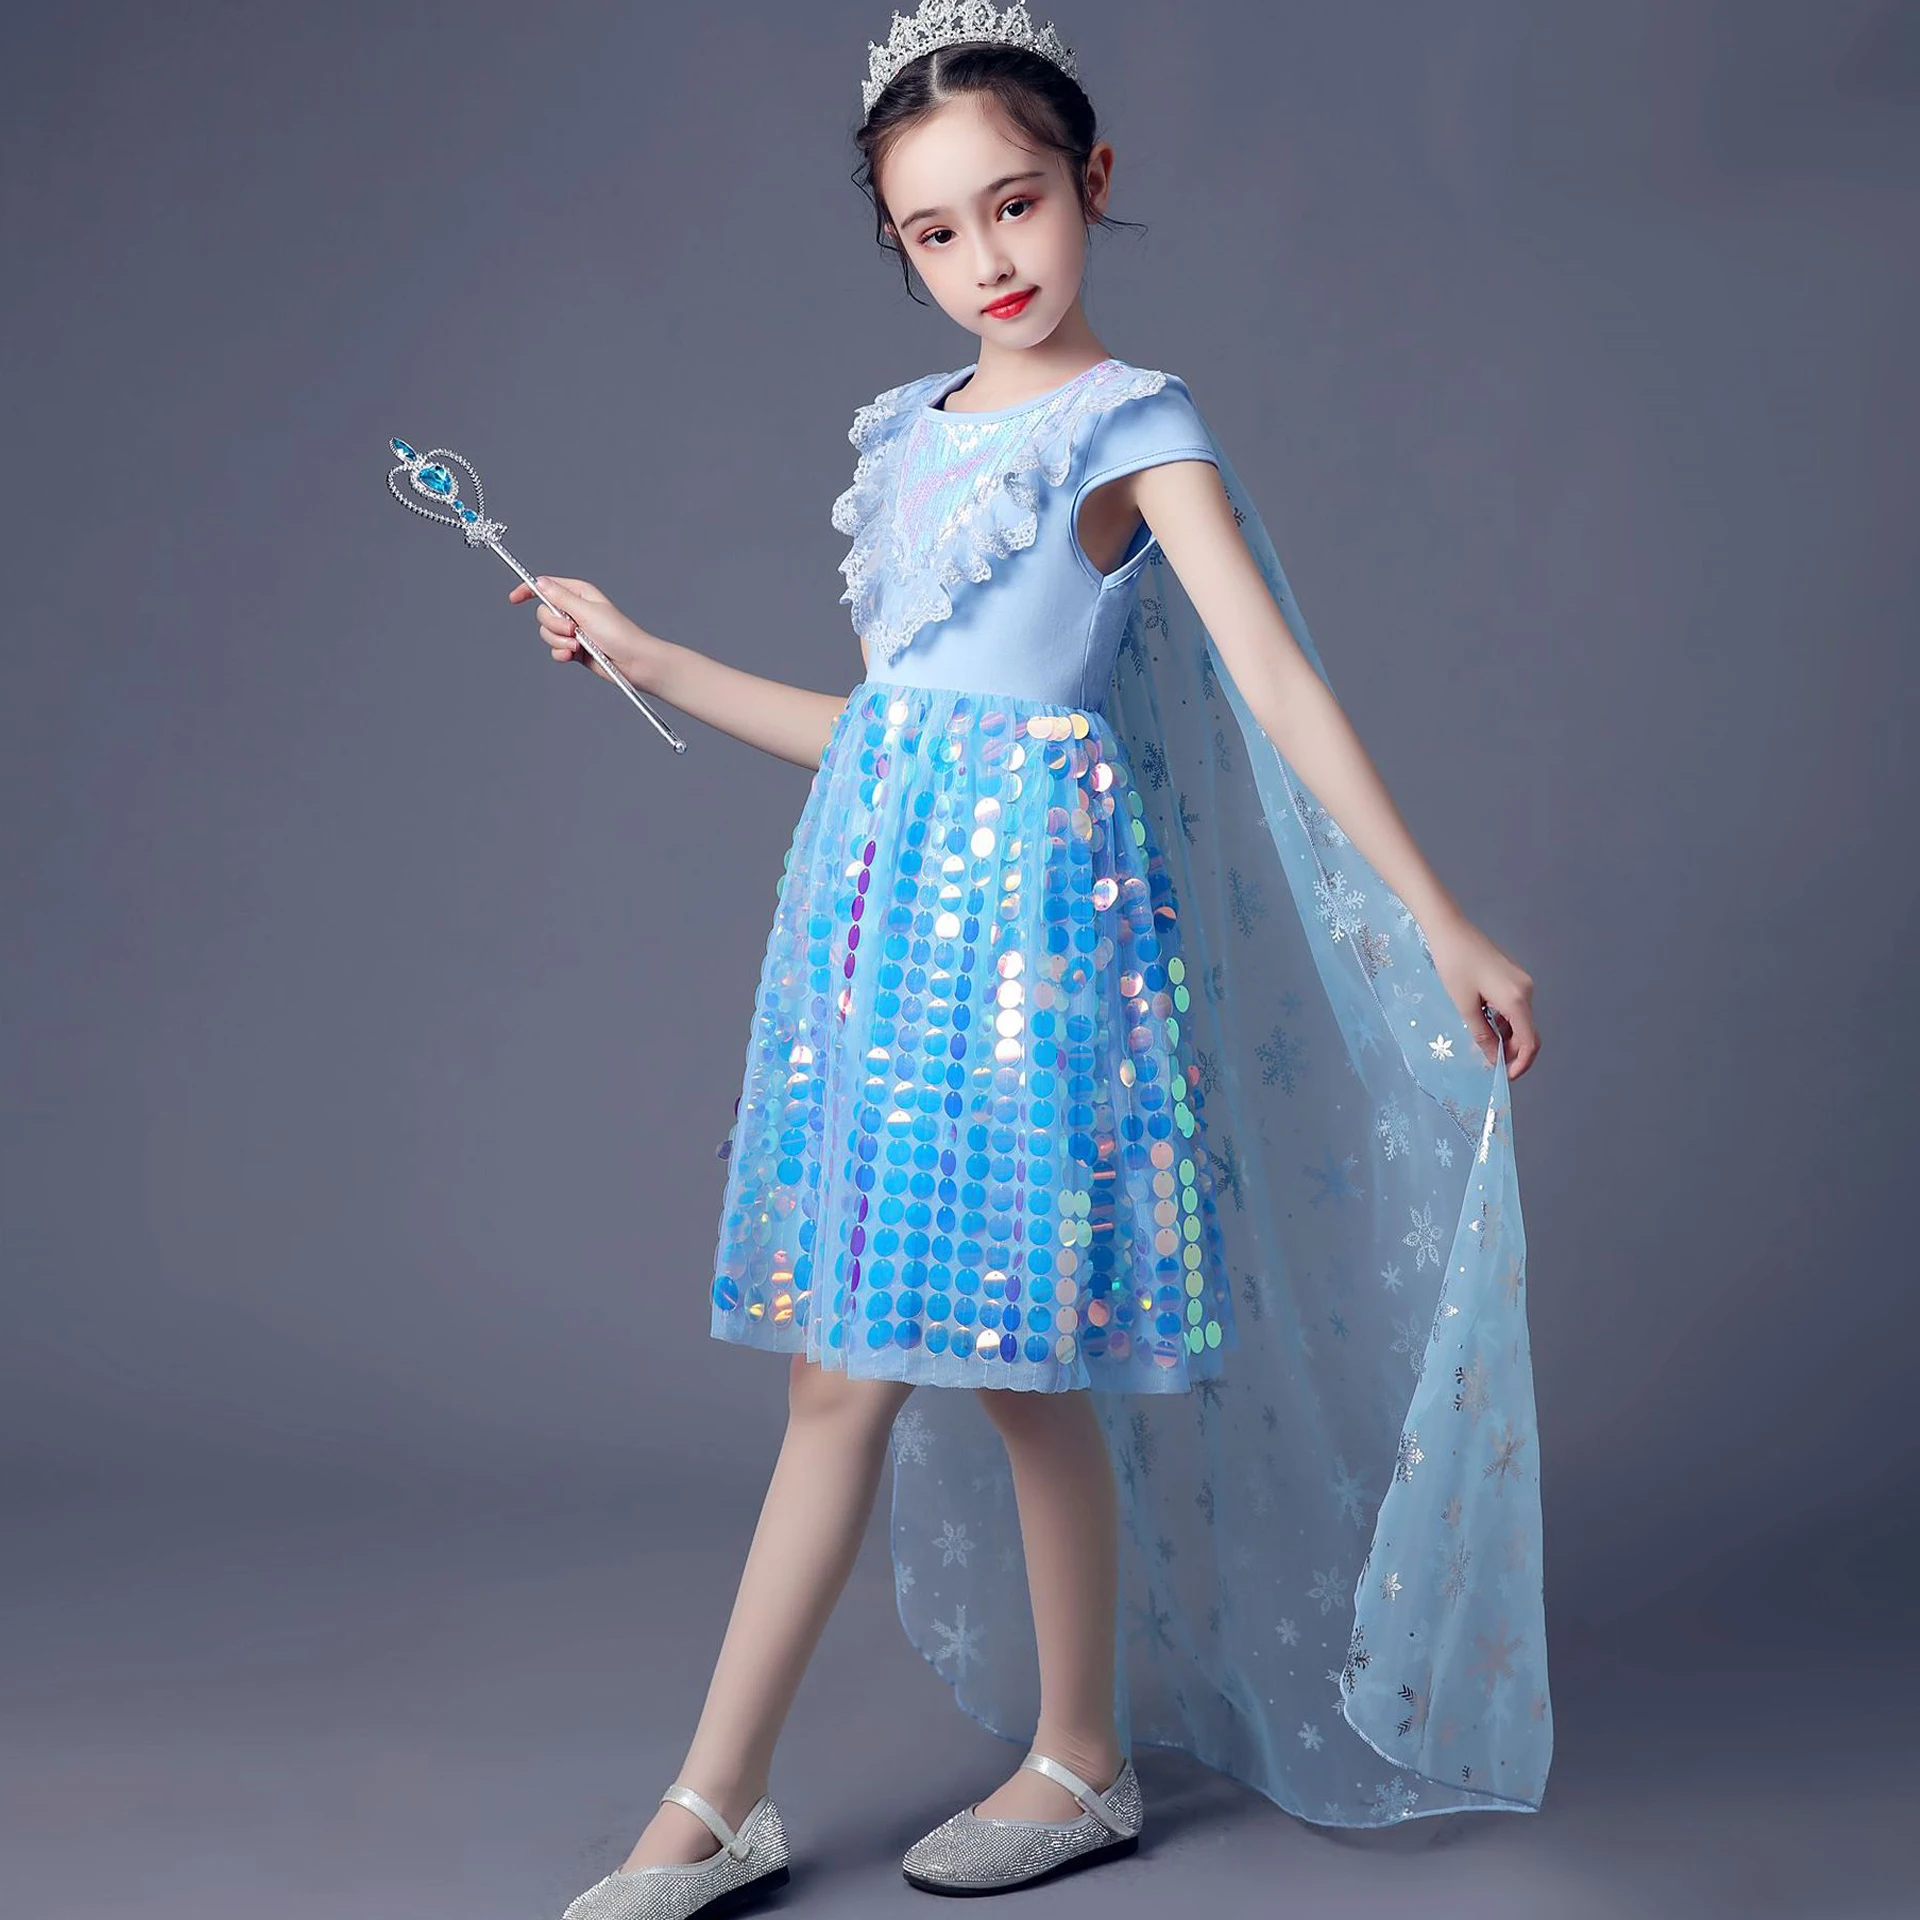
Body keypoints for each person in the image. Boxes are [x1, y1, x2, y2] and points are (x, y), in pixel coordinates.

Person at [512, 6, 1550, 1913]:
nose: (988, 259)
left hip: (1030, 947)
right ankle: (929, 1775)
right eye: (935, 231)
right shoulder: (903, 435)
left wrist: (1439, 914)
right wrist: (648, 657)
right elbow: (890, 735)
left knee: (1000, 1361)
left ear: (1093, 181)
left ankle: (871, 1785)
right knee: (887, 1374)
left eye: (1017, 203)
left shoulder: (1133, 423)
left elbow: (1275, 682)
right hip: (874, 930)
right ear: (895, 245)